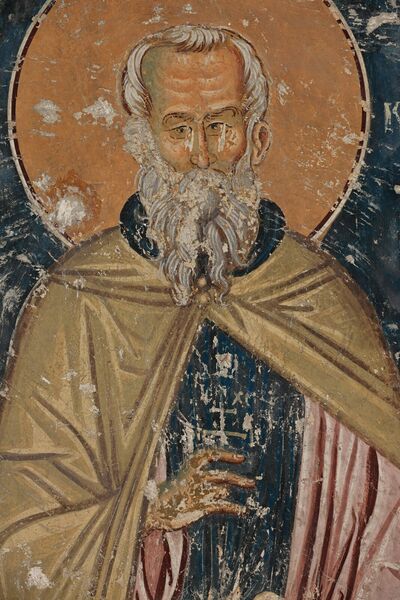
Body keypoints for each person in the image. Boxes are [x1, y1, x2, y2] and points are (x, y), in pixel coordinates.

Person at [0, 25, 399, 600]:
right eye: (179, 129)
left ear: (258, 138)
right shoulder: (79, 299)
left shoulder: (322, 297)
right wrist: (147, 514)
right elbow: (23, 537)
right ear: (142, 141)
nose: (203, 157)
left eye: (221, 125)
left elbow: (386, 519)